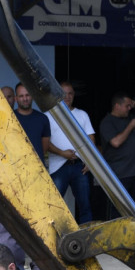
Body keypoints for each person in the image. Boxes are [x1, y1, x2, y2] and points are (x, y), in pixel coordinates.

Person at [45, 81, 96, 224]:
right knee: (53, 207)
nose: (67, 96)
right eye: (64, 93)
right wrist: (62, 153)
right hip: (58, 167)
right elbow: (45, 142)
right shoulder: (48, 115)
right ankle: (53, 235)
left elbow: (91, 139)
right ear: (57, 95)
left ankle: (86, 234)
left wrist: (90, 161)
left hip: (79, 166)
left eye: (70, 93)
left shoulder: (82, 114)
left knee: (85, 206)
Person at [98, 92, 135, 220]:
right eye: (127, 106)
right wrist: (130, 126)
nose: (129, 108)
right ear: (117, 106)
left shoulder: (129, 118)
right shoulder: (107, 122)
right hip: (119, 174)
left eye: (130, 106)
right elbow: (116, 142)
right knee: (119, 210)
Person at [13, 84, 51, 161]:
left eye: (27, 95)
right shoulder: (10, 118)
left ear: (32, 96)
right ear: (16, 98)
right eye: (21, 96)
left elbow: (44, 148)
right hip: (15, 165)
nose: (25, 99)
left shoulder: (42, 118)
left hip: (37, 165)